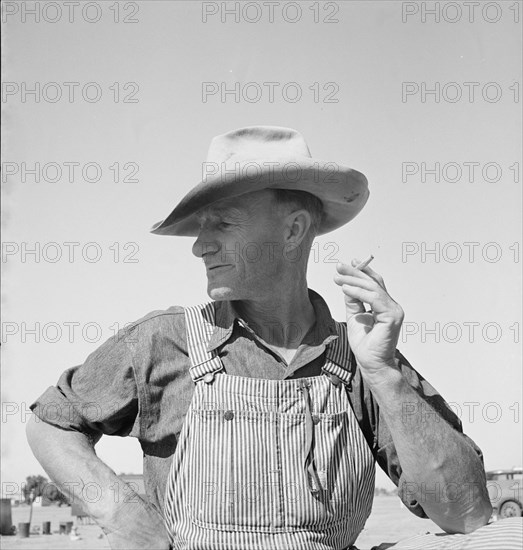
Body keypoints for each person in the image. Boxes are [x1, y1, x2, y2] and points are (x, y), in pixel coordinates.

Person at [27, 126, 520, 550]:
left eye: (222, 222)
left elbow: (468, 516)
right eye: (200, 226)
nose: (200, 245)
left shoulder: (362, 357)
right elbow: (50, 424)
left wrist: (385, 375)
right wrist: (118, 511)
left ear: (293, 231)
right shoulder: (163, 340)